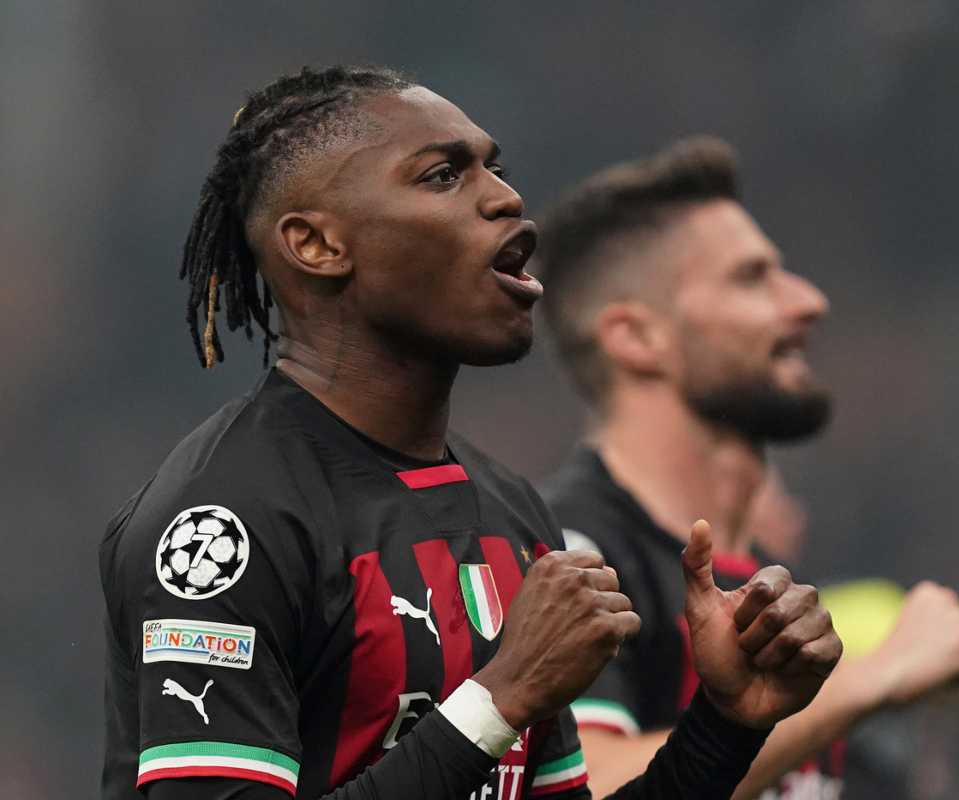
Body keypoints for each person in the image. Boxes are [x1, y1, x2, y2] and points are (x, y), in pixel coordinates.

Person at [98, 68, 845, 800]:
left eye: (496, 169)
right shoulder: (225, 520)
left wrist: (725, 723)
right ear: (317, 244)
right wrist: (501, 696)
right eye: (443, 176)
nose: (505, 198)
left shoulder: (509, 509)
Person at [535, 138, 959, 799]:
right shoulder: (570, 553)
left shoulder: (768, 577)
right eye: (751, 278)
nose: (807, 301)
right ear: (636, 337)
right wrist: (876, 675)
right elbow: (587, 787)